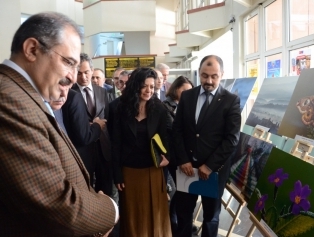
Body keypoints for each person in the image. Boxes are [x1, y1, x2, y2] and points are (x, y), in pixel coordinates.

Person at [0, 12, 117, 236]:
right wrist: (111, 209)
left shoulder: (26, 96)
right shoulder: (9, 98)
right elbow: (56, 204)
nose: (73, 77)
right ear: (32, 49)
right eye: (68, 62)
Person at [172, 55, 241, 237]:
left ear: (222, 75)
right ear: (199, 74)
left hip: (214, 171)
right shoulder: (187, 96)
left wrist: (209, 166)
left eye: (214, 76)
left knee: (211, 217)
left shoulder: (231, 100)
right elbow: (177, 131)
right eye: (204, 75)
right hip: (187, 169)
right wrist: (183, 160)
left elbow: (231, 139)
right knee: (184, 214)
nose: (208, 81)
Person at [112, 67, 172, 237]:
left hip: (152, 170)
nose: (148, 90)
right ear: (135, 85)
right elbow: (115, 143)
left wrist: (168, 156)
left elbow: (168, 136)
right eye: (144, 86)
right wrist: (117, 174)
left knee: (155, 216)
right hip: (129, 172)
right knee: (133, 218)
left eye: (152, 87)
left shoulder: (158, 109)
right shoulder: (121, 109)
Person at [72, 53, 113, 197]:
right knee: (85, 191)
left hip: (103, 149)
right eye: (79, 73)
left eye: (86, 72)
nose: (83, 77)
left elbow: (107, 118)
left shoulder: (102, 91)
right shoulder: (70, 93)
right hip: (82, 151)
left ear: (92, 70)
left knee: (106, 190)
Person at [163, 75, 194, 231]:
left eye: (190, 91)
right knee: (180, 191)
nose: (188, 94)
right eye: (185, 91)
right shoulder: (166, 106)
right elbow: (173, 132)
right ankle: (175, 221)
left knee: (184, 192)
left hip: (186, 156)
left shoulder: (189, 106)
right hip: (174, 157)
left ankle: (180, 221)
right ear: (176, 89)